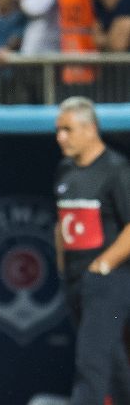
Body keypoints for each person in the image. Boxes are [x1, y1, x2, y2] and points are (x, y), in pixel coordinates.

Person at [54, 96, 130, 405]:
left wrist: (104, 265)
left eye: (68, 130)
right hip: (75, 279)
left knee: (91, 361)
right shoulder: (65, 170)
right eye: (58, 130)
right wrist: (63, 268)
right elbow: (61, 223)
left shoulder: (116, 170)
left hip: (108, 281)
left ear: (90, 129)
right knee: (112, 360)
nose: (60, 137)